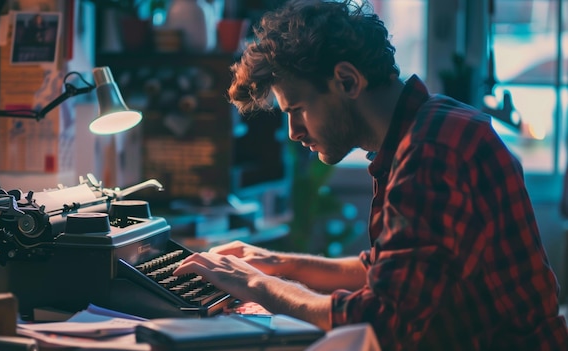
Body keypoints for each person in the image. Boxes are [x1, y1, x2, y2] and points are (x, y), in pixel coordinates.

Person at [173, 0, 568, 350]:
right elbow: (385, 269)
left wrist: (256, 284)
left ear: (347, 80)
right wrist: (277, 263)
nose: (293, 132)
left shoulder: (433, 152)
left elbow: (382, 321)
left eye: (297, 109)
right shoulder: (426, 127)